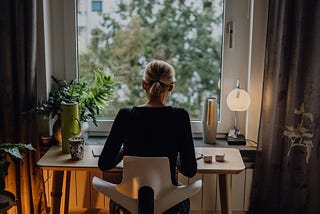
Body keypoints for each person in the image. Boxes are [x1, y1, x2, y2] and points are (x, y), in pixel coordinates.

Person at [98, 60, 197, 213]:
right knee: (183, 200)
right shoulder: (180, 117)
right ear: (170, 87)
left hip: (129, 205)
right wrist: (174, 158)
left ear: (144, 84)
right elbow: (190, 170)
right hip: (168, 206)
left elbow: (104, 163)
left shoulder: (125, 116)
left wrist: (126, 151)